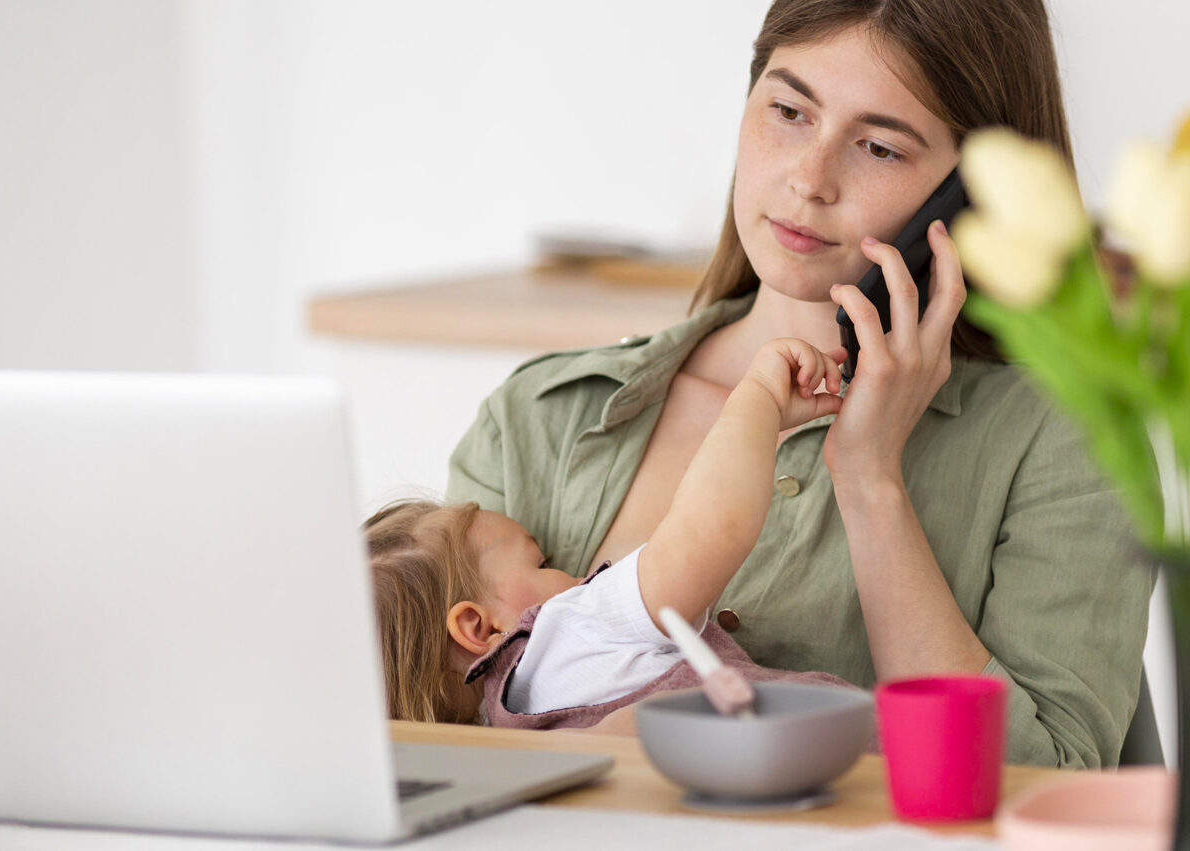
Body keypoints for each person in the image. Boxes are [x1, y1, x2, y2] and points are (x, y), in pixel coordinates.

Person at [445, 0, 1155, 767]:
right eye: (788, 110)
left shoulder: (1069, 441)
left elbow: (1042, 785)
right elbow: (429, 739)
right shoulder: (536, 419)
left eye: (880, 148)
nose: (809, 179)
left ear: (975, 192)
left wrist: (871, 478)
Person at [366, 338, 853, 730]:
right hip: (846, 753)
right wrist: (759, 401)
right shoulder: (567, 628)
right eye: (541, 564)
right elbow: (711, 531)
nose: (575, 573)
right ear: (481, 629)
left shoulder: (505, 730)